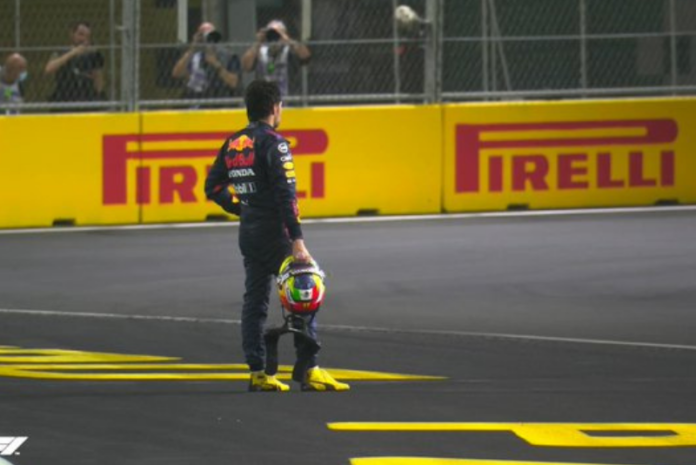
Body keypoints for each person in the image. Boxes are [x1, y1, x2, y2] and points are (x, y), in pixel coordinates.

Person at [204, 80, 349, 392]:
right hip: (276, 234)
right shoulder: (275, 144)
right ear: (274, 107)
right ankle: (309, 369)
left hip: (249, 234)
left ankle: (258, 372)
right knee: (305, 287)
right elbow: (287, 196)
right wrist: (297, 240)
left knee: (255, 300)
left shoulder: (233, 142)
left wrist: (243, 208)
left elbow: (212, 187)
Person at [171, 22, 240, 103]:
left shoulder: (229, 56)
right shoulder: (194, 57)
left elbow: (233, 82)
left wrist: (216, 64)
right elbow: (176, 73)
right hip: (196, 98)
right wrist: (192, 48)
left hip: (221, 99)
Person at [241, 20, 311, 98]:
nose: (274, 39)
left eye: (277, 35)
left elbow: (305, 56)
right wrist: (258, 43)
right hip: (265, 99)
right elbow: (246, 66)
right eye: (271, 35)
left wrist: (288, 40)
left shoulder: (289, 51)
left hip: (288, 99)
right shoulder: (261, 51)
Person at [44, 21, 105, 106]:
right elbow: (49, 69)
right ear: (72, 34)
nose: (83, 39)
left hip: (86, 97)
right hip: (64, 96)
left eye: (87, 36)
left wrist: (99, 95)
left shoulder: (93, 55)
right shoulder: (61, 52)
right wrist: (73, 53)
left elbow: (98, 78)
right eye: (81, 34)